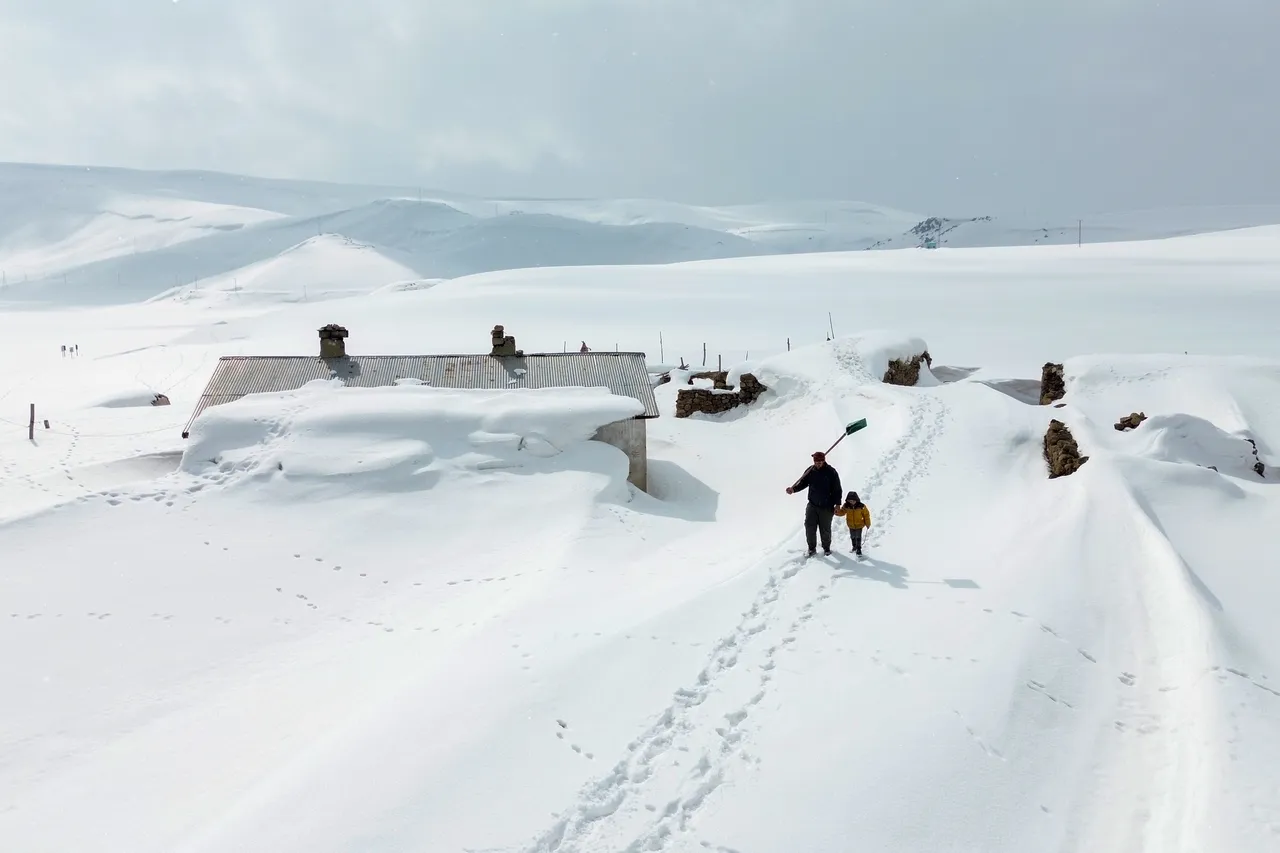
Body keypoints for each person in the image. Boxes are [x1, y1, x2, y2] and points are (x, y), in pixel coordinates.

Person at [786, 451, 842, 556]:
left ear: (824, 460)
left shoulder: (831, 472)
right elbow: (803, 483)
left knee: (825, 529)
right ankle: (811, 548)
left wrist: (837, 504)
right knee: (809, 526)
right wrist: (793, 489)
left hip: (826, 506)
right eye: (816, 462)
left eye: (820, 461)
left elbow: (837, 490)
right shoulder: (810, 471)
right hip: (812, 505)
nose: (818, 463)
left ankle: (826, 548)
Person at [835, 491, 871, 556]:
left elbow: (866, 515)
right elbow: (842, 512)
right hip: (850, 525)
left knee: (858, 537)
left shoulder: (861, 506)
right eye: (850, 501)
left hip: (859, 525)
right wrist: (837, 512)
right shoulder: (846, 506)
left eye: (853, 500)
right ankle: (854, 547)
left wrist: (867, 523)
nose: (852, 502)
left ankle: (858, 549)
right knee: (853, 536)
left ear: (856, 499)